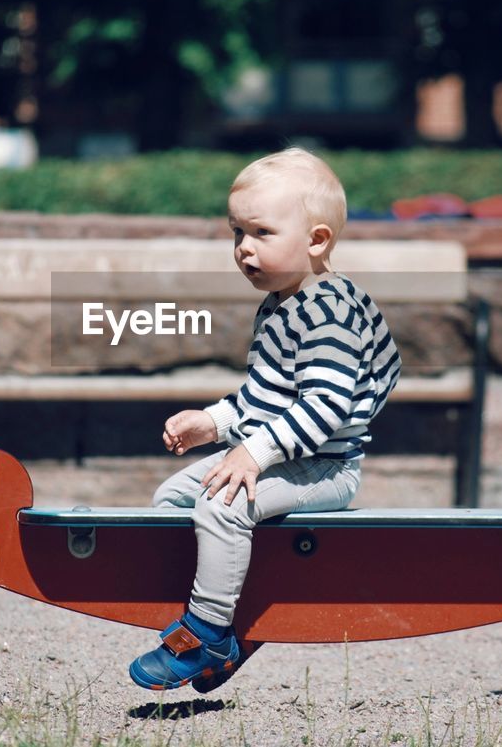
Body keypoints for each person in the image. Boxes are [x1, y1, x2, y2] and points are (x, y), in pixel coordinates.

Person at [128, 148, 401, 691]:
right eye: (237, 233)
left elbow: (323, 408)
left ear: (316, 241)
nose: (244, 248)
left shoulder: (329, 313)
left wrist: (251, 452)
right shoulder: (283, 303)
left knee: (220, 503)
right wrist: (212, 423)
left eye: (261, 233)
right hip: (290, 456)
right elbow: (263, 398)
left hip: (324, 468)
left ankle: (207, 633)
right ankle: (233, 622)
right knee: (174, 497)